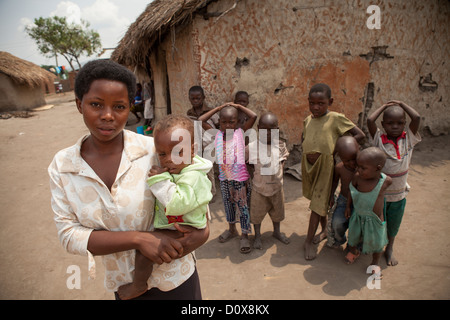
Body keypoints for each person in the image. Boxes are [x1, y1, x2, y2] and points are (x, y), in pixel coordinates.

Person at [48, 59, 209, 300]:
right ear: (79, 104)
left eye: (119, 107)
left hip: (175, 277)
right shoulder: (64, 167)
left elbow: (194, 191)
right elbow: (69, 234)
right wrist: (139, 239)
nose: (108, 116)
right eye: (96, 105)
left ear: (130, 107)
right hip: (125, 287)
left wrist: (203, 231)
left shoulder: (155, 151)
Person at [117, 114, 213, 300]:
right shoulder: (182, 169)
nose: (169, 159)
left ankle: (138, 286)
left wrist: (159, 180)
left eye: (178, 152)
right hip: (177, 226)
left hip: (186, 229)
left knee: (145, 254)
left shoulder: (193, 177)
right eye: (162, 154)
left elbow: (176, 204)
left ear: (192, 150)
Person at [301, 83, 365, 260]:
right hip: (309, 167)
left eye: (321, 103)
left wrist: (337, 150)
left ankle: (307, 242)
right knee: (320, 201)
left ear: (330, 101)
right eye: (312, 103)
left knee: (317, 204)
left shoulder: (336, 118)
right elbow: (306, 137)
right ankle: (323, 230)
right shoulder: (308, 120)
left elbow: (359, 135)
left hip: (325, 167)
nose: (316, 107)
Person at [367, 100, 421, 266]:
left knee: (394, 225)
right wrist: (384, 106)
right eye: (390, 123)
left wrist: (402, 104)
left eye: (399, 123)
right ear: (383, 125)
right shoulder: (379, 140)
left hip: (399, 195)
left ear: (405, 124)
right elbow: (370, 120)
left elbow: (417, 117)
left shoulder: (408, 139)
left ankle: (389, 248)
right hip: (380, 195)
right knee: (378, 223)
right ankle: (376, 247)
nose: (395, 126)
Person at [199, 102, 257, 253]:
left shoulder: (240, 133)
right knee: (228, 206)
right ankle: (232, 229)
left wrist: (237, 106)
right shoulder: (216, 135)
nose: (228, 125)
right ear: (219, 123)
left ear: (237, 122)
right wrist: (218, 108)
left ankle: (244, 235)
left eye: (232, 122)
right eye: (224, 122)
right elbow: (201, 120)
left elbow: (253, 116)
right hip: (224, 179)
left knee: (243, 208)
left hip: (240, 181)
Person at [344, 147, 392, 276]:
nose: (358, 170)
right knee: (353, 237)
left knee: (377, 243)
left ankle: (375, 263)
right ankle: (354, 252)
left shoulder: (385, 181)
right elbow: (351, 191)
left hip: (375, 220)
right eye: (358, 166)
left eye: (363, 168)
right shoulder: (357, 178)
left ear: (378, 168)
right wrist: (348, 207)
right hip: (358, 215)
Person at [248, 112, 290, 249]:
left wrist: (279, 171)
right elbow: (247, 163)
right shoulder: (252, 147)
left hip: (277, 188)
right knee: (256, 214)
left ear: (276, 130)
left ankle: (276, 232)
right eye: (264, 129)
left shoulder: (280, 145)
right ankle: (257, 236)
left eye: (271, 129)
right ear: (258, 128)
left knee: (277, 212)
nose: (267, 132)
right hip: (259, 189)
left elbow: (283, 158)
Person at [327, 136, 360, 248]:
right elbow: (335, 181)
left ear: (359, 150)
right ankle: (339, 239)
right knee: (337, 223)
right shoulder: (340, 168)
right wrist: (331, 196)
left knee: (358, 226)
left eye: (354, 158)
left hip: (360, 202)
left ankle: (354, 247)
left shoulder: (364, 168)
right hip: (343, 200)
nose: (352, 163)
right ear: (340, 158)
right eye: (347, 160)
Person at [186, 85, 218, 196]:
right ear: (189, 98)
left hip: (211, 144)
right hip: (197, 144)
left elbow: (218, 125)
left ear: (203, 97)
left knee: (209, 168)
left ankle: (212, 192)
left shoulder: (210, 112)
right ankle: (202, 191)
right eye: (193, 98)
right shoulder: (189, 114)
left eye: (198, 98)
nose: (195, 101)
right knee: (199, 167)